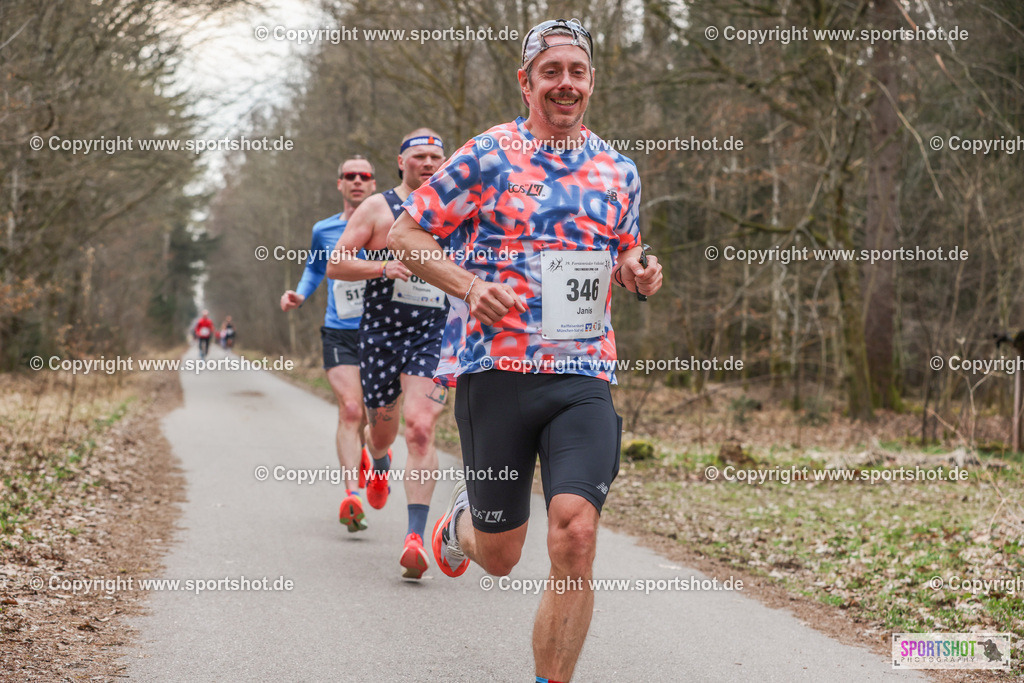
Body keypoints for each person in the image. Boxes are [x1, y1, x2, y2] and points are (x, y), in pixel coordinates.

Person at [387, 18, 663, 682]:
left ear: (591, 81)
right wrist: (468, 283)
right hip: (498, 374)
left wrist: (641, 271)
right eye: (552, 72)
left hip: (582, 375)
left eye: (577, 72)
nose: (565, 85)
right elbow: (405, 234)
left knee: (575, 533)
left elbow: (624, 252)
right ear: (527, 81)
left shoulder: (618, 170)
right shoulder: (486, 154)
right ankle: (458, 528)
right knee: (504, 552)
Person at [325, 129, 449, 580]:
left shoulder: (456, 209)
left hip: (432, 336)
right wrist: (382, 266)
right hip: (379, 337)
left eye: (437, 156)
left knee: (419, 428)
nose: (430, 163)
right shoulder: (377, 208)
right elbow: (336, 264)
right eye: (420, 156)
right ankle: (377, 461)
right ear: (402, 161)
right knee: (382, 433)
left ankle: (415, 537)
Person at [280, 156, 375, 532]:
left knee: (371, 415)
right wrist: (300, 295)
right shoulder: (324, 230)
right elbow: (316, 267)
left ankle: (369, 454)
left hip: (381, 332)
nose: (356, 181)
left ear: (373, 183)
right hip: (339, 331)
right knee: (350, 410)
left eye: (363, 176)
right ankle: (351, 495)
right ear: (339, 184)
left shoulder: (388, 223)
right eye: (349, 176)